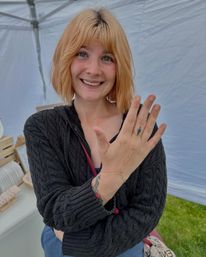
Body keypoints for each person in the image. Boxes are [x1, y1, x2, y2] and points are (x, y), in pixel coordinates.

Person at [24, 8, 167, 257]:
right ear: (65, 58)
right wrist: (110, 178)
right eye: (82, 54)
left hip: (115, 247)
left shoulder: (138, 126)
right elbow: (55, 211)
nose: (93, 69)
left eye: (107, 58)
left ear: (119, 66)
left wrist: (76, 241)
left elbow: (148, 211)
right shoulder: (41, 127)